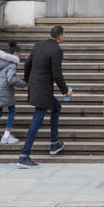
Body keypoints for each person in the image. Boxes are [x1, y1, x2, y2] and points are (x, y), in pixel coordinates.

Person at [17, 25, 73, 168]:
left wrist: (27, 80)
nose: (63, 38)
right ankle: (24, 155)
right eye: (63, 35)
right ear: (60, 36)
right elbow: (57, 74)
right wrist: (65, 90)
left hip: (36, 86)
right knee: (37, 119)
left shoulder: (38, 45)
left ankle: (54, 143)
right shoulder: (56, 50)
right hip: (43, 90)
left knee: (56, 107)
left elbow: (27, 64)